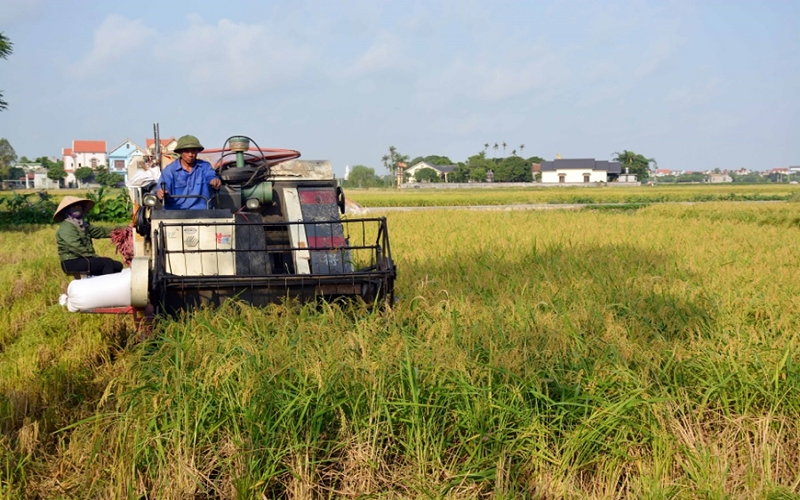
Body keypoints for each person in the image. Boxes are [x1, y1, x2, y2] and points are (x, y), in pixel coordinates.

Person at [54, 196, 123, 276]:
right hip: (71, 261)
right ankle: (106, 286)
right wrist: (94, 257)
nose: (77, 208)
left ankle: (99, 284)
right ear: (67, 211)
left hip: (84, 258)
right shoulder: (66, 227)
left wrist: (123, 230)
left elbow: (101, 231)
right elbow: (76, 246)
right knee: (107, 263)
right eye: (74, 207)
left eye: (79, 206)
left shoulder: (83, 224)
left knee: (117, 266)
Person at [156, 134, 221, 210]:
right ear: (180, 152)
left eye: (193, 151)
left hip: (202, 213)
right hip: (175, 213)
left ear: (197, 151)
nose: (191, 154)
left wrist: (214, 181)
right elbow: (163, 187)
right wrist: (161, 192)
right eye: (187, 151)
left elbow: (211, 176)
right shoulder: (169, 170)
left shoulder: (205, 166)